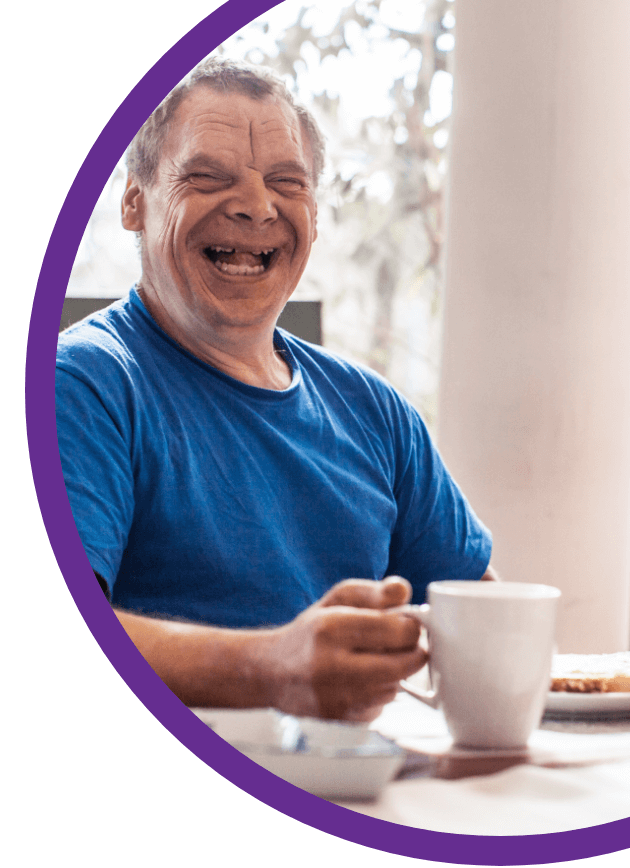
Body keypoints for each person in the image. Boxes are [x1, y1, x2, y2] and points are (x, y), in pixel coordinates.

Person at [56, 57, 495, 721]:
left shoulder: (375, 413)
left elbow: (485, 615)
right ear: (134, 201)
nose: (256, 207)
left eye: (286, 184)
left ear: (313, 216)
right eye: (207, 178)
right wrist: (271, 668)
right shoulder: (81, 386)